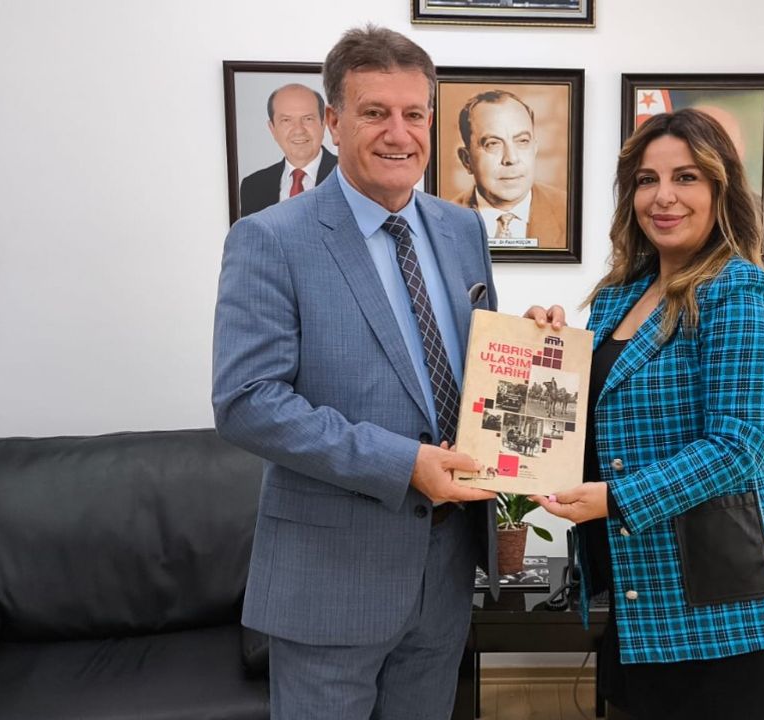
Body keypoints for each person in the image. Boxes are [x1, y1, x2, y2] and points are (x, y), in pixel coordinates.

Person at [213, 25, 504, 719]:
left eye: (414, 113)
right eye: (375, 112)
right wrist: (404, 464)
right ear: (335, 123)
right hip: (330, 581)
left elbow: (477, 374)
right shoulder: (270, 238)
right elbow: (247, 401)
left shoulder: (462, 230)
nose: (398, 133)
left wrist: (534, 344)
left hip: (444, 570)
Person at [529, 108, 764, 719]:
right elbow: (597, 415)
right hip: (637, 586)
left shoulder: (739, 291)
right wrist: (542, 351)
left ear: (720, 189)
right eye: (647, 180)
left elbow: (738, 447)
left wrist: (616, 500)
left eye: (686, 177)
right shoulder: (620, 293)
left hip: (719, 601)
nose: (664, 196)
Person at [450, 89, 568, 249]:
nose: (511, 158)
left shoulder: (569, 212)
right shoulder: (443, 221)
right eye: (493, 144)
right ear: (466, 160)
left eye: (522, 141)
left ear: (534, 149)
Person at [238, 83, 339, 217]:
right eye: (286, 120)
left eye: (308, 119)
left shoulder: (351, 177)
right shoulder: (253, 186)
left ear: (324, 123)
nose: (298, 130)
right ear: (272, 129)